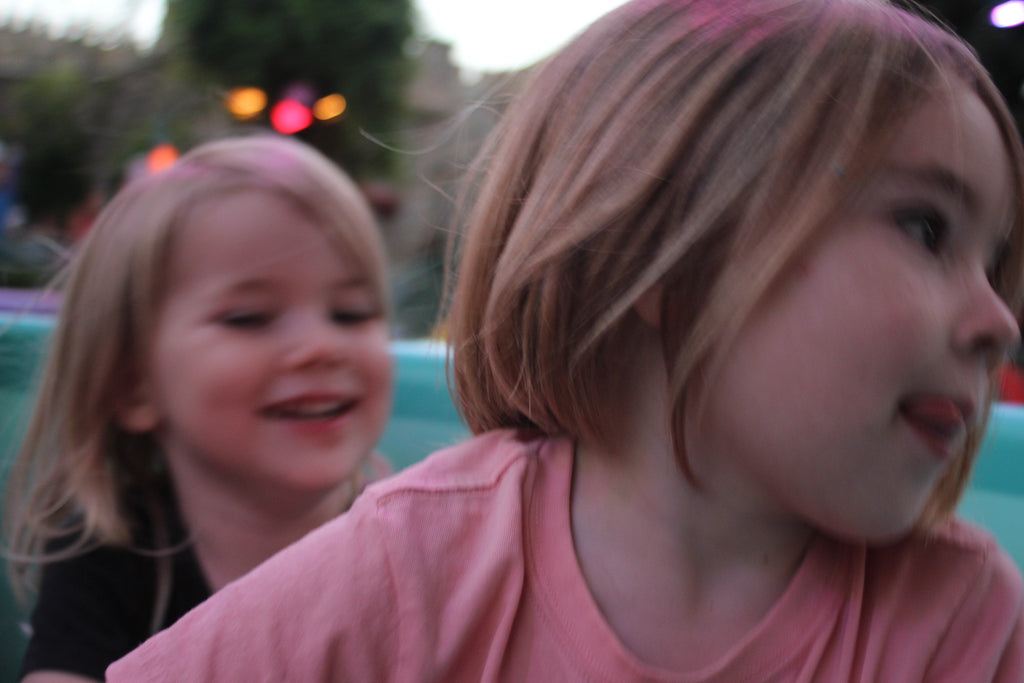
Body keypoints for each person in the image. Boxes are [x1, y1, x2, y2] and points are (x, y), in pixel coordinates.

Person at [108, 0, 1024, 679]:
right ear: (670, 253)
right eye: (927, 229)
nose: (1001, 320)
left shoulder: (958, 617)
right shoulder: (414, 570)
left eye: (995, 262)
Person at [3, 134, 394, 683]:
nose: (321, 346)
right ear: (134, 386)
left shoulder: (410, 549)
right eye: (249, 318)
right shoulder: (110, 556)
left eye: (351, 313)